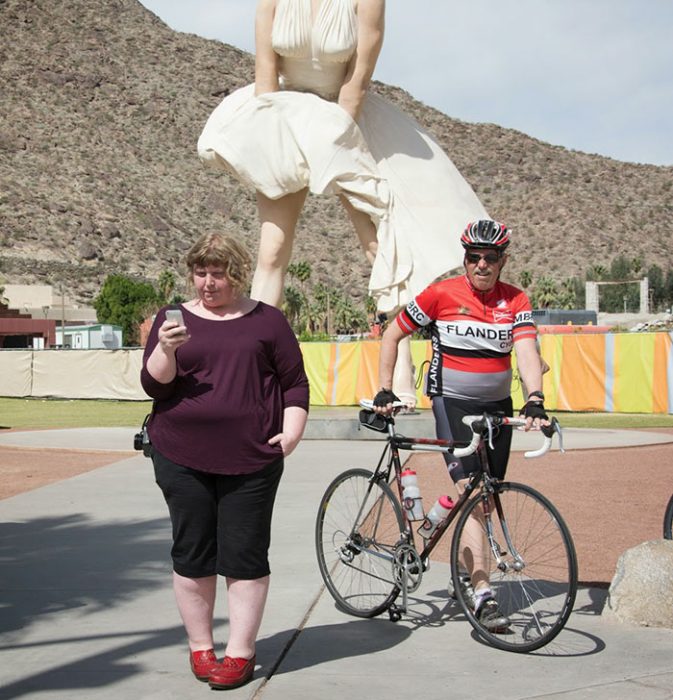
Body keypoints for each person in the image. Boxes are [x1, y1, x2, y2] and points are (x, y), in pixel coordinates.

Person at [197, 0, 488, 410]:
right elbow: (266, 79)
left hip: (346, 120)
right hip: (283, 118)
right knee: (272, 250)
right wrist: (276, 144)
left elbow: (357, 83)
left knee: (378, 248)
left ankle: (399, 380)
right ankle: (250, 375)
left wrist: (332, 143)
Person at [140, 232, 309, 689]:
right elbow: (155, 387)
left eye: (218, 273)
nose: (208, 283)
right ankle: (200, 647)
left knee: (245, 555)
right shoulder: (170, 319)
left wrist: (291, 431)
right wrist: (166, 348)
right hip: (180, 454)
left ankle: (240, 652)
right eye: (201, 273)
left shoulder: (268, 321)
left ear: (236, 274)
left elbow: (295, 383)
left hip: (252, 458)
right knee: (192, 552)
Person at [372, 219, 549, 630]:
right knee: (474, 493)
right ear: (464, 259)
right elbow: (392, 335)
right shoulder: (440, 294)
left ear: (503, 260)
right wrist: (384, 388)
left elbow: (526, 350)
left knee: (485, 495)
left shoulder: (516, 300)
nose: (482, 265)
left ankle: (464, 562)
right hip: (452, 403)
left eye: (490, 258)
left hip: (497, 404)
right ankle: (483, 593)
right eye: (474, 258)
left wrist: (535, 399)